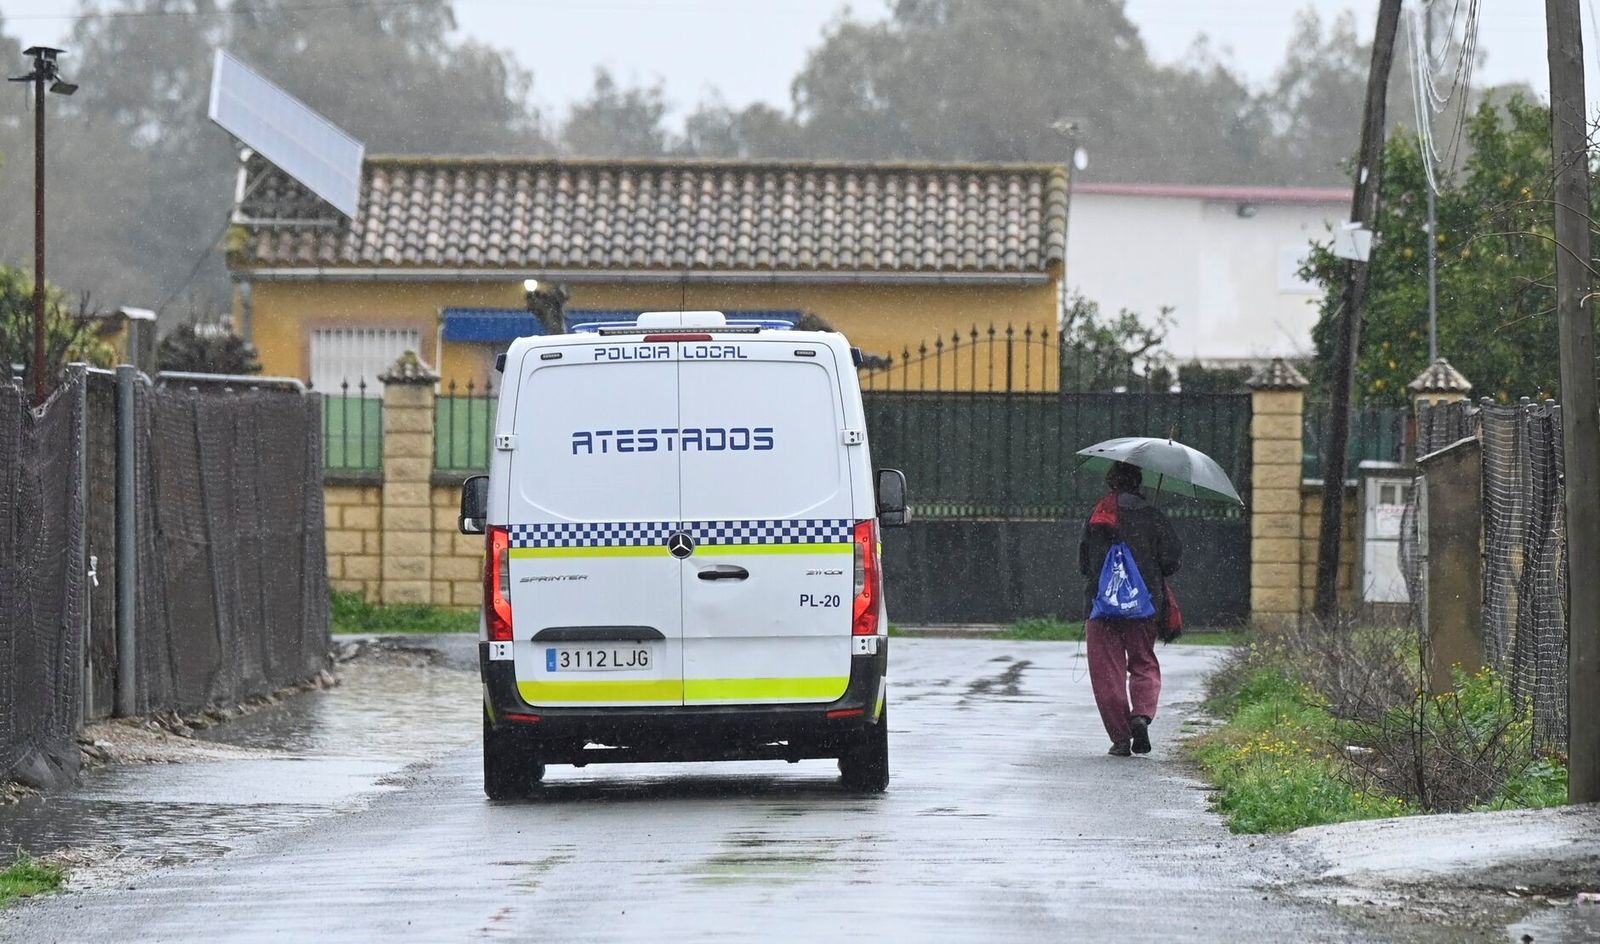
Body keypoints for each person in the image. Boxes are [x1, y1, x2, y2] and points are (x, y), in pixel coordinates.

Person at [1078, 461, 1183, 757]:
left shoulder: (1098, 515)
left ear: (1111, 483)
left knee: (1106, 673)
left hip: (1102, 607)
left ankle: (1121, 738)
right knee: (1143, 663)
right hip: (1145, 605)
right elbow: (1171, 561)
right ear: (1139, 483)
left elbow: (1084, 564)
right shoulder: (1153, 516)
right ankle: (1141, 715)